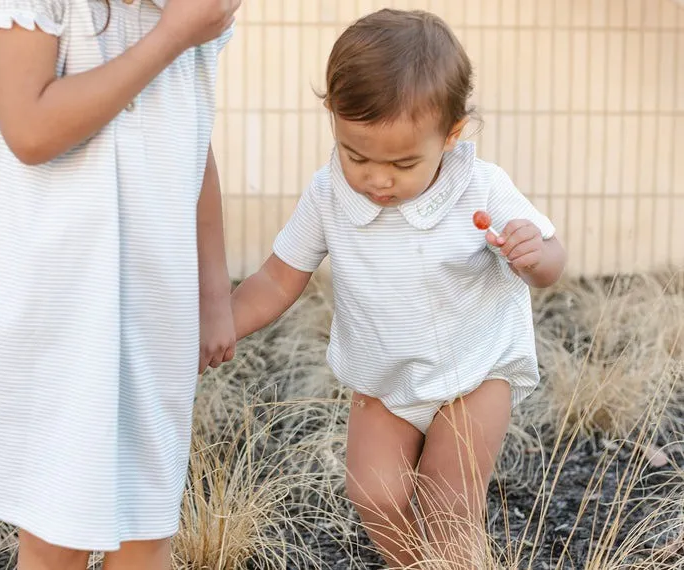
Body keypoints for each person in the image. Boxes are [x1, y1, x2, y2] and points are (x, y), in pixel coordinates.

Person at [0, 1, 240, 569]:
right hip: (53, 301)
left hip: (147, 298)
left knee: (147, 523)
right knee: (59, 534)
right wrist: (171, 36)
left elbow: (190, 132)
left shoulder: (184, 12)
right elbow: (30, 127)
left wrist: (213, 291)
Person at [230, 9, 566, 567]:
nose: (377, 179)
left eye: (404, 162)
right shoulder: (329, 193)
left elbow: (552, 262)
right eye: (355, 154)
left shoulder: (479, 187)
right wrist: (217, 324)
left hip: (474, 374)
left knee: (447, 502)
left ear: (452, 134)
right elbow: (275, 278)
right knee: (373, 493)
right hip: (384, 379)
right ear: (333, 120)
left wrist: (538, 255)